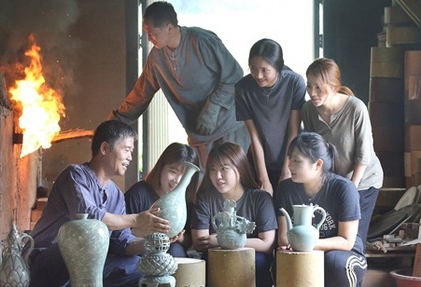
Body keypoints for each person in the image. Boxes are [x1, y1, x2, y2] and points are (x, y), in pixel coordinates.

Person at [25, 120, 170, 287]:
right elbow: (88, 220)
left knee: (143, 268)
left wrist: (155, 242)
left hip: (89, 265)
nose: (130, 157)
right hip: (48, 263)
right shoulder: (75, 175)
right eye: (127, 150)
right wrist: (137, 219)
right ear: (104, 148)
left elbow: (122, 242)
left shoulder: (116, 195)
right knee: (84, 240)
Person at [107, 1, 250, 167]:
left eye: (152, 33)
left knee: (235, 180)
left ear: (169, 28)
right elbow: (140, 94)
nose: (149, 38)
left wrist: (213, 106)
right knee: (202, 188)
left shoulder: (201, 41)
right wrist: (113, 123)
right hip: (199, 136)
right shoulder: (156, 59)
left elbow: (235, 75)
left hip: (230, 127)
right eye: (147, 33)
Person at [302, 58, 383, 247]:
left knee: (353, 240)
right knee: (329, 235)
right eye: (309, 87)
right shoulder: (308, 110)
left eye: (318, 88)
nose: (312, 93)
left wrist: (350, 189)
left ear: (334, 86)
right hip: (334, 181)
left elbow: (364, 155)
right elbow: (314, 151)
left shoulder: (356, 108)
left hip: (363, 180)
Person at [275, 132, 367, 287]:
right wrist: (301, 247)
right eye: (290, 158)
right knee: (285, 260)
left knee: (334, 262)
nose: (290, 165)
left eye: (297, 161)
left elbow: (346, 241)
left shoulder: (344, 189)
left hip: (346, 255)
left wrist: (305, 244)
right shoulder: (285, 189)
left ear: (318, 164)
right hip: (300, 250)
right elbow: (283, 238)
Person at [191, 142, 277, 287]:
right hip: (216, 257)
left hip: (254, 258)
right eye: (213, 170)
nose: (218, 176)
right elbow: (200, 243)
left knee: (260, 261)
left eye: (224, 169)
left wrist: (221, 241)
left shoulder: (261, 199)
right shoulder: (205, 199)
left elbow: (267, 243)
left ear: (240, 168)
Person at [235, 38, 306, 195]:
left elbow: (293, 131)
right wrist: (263, 179)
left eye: (265, 70)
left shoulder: (295, 83)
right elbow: (254, 136)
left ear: (278, 67)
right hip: (260, 159)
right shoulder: (242, 88)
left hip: (292, 157)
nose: (258, 75)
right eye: (253, 68)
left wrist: (287, 170)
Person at [125, 142, 200, 257]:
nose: (177, 180)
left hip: (171, 251)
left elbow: (189, 240)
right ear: (161, 168)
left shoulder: (188, 201)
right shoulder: (138, 193)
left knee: (176, 249)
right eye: (173, 172)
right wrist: (147, 231)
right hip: (140, 250)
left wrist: (179, 237)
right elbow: (122, 235)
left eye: (184, 176)